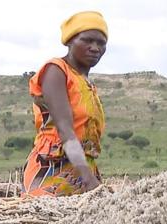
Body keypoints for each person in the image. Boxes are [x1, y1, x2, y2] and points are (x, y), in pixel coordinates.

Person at [22, 11, 108, 197]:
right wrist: (89, 181)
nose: (95, 48)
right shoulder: (56, 70)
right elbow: (65, 129)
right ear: (70, 41)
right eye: (87, 40)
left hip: (84, 171)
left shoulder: (87, 84)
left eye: (101, 43)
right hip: (52, 170)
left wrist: (91, 178)